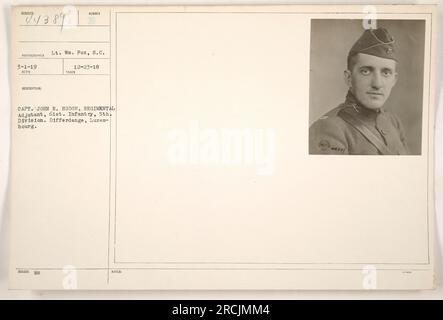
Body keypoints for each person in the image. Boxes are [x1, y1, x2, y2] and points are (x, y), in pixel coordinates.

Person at [309, 27, 409, 155]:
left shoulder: (393, 122)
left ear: (394, 80)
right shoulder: (328, 128)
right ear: (349, 78)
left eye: (385, 72)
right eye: (366, 71)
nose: (377, 84)